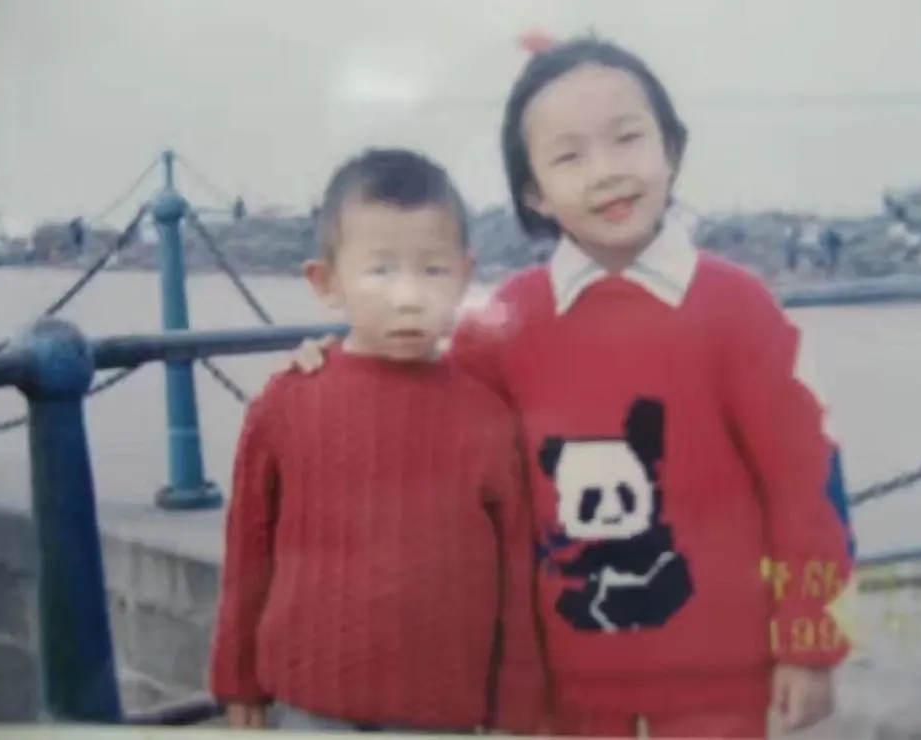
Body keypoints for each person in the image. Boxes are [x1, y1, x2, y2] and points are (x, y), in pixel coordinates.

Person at [289, 36, 856, 739]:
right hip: (558, 685)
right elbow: (420, 411)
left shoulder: (741, 307)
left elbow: (807, 480)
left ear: (672, 148)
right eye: (569, 156)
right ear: (533, 191)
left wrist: (811, 641)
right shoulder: (504, 321)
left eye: (628, 139)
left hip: (722, 676)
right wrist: (339, 365)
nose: (607, 172)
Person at [208, 148, 547, 734]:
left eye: (433, 270)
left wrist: (519, 707)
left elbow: (516, 573)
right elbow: (248, 552)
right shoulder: (286, 403)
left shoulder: (487, 417)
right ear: (326, 282)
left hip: (442, 714)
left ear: (465, 276)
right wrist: (237, 680)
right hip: (308, 704)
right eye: (380, 271)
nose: (408, 295)